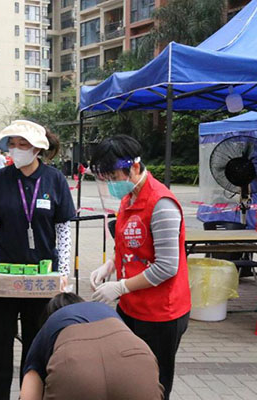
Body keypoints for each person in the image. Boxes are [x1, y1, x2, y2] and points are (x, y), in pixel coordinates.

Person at [0, 120, 76, 400]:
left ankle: (31, 396)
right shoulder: (0, 179)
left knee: (37, 344)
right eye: (12, 144)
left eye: (23, 144)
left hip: (41, 279)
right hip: (4, 276)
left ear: (37, 148)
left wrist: (63, 272)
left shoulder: (55, 179)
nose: (16, 149)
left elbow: (63, 230)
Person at [89, 135, 191, 400]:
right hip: (131, 307)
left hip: (160, 313)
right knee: (128, 375)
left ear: (134, 167)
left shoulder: (161, 204)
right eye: (107, 179)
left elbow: (167, 266)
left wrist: (121, 286)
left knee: (153, 383)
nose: (112, 184)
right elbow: (128, 244)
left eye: (114, 177)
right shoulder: (129, 198)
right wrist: (110, 265)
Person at [20, 293, 163, 400]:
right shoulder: (105, 311)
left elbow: (29, 395)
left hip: (74, 373)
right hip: (139, 366)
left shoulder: (48, 328)